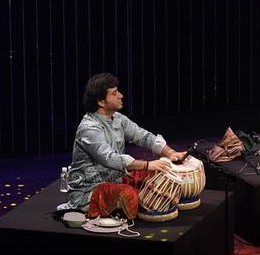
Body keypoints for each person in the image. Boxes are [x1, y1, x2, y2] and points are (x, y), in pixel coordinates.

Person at [64, 73, 184, 212]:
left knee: (159, 173)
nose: (121, 95)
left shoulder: (118, 118)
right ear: (101, 102)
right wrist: (146, 164)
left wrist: (170, 153)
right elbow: (110, 159)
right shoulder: (89, 128)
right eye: (114, 93)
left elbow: (143, 136)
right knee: (129, 195)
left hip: (115, 181)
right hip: (89, 192)